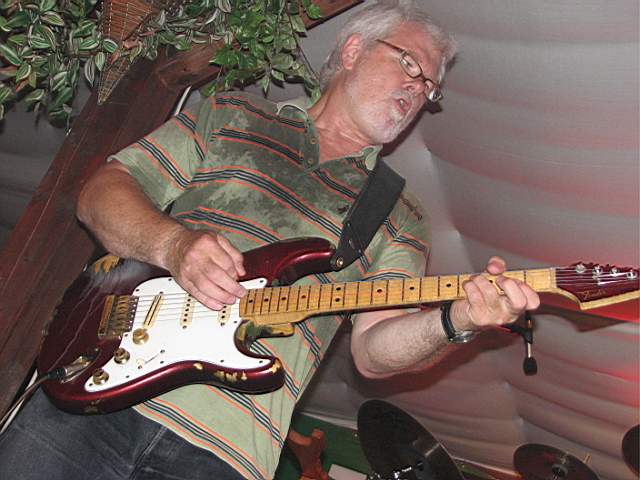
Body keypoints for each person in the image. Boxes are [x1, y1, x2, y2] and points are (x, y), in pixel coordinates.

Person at [0, 1, 540, 479]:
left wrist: (457, 320)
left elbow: (374, 352)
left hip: (230, 453)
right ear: (353, 49)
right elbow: (101, 192)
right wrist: (173, 245)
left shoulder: (401, 214)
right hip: (97, 392)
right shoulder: (232, 113)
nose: (417, 90)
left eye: (429, 87)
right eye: (409, 65)